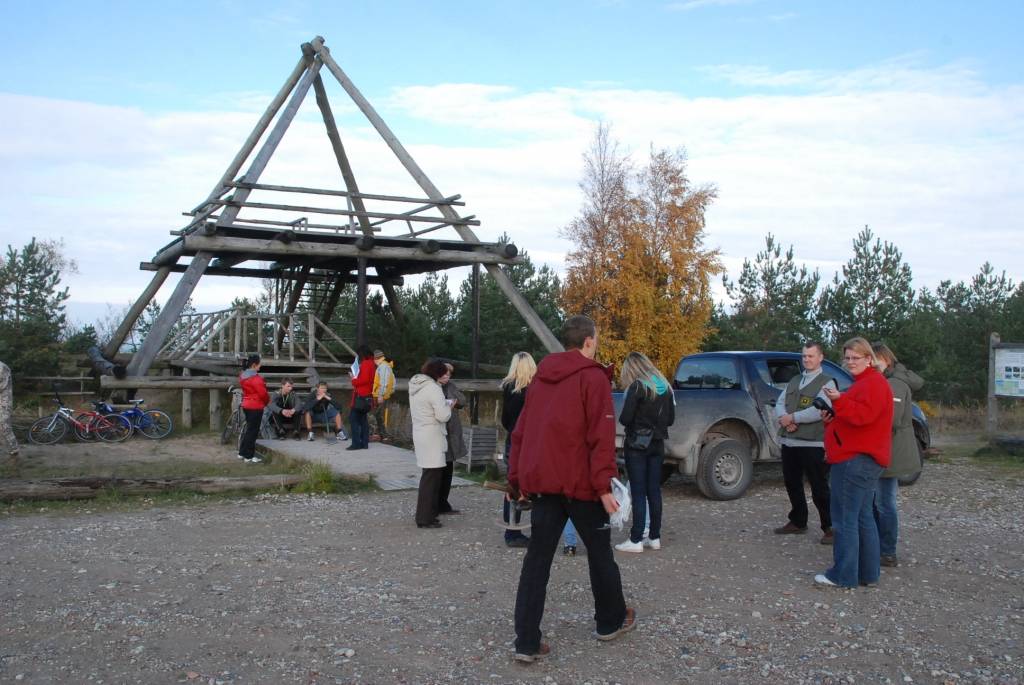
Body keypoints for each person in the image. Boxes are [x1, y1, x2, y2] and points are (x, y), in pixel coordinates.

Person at [509, 315, 635, 663]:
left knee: (537, 561)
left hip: (546, 486)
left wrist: (516, 479)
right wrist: (605, 486)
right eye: (597, 337)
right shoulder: (593, 378)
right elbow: (601, 436)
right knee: (599, 553)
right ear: (589, 341)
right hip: (580, 487)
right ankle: (610, 622)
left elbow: (522, 432)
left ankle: (526, 642)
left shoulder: (540, 379)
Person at [814, 337, 894, 589]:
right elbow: (854, 418)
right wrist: (832, 417)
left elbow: (863, 416)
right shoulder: (865, 383)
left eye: (855, 358)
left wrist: (839, 400)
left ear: (869, 359)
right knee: (862, 516)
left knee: (844, 518)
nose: (850, 362)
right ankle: (868, 573)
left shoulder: (873, 384)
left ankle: (843, 575)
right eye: (847, 358)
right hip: (862, 458)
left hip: (855, 460)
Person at [773, 342, 838, 544]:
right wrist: (784, 417)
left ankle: (830, 527)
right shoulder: (794, 380)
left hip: (813, 444)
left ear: (820, 358)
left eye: (811, 356)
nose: (807, 360)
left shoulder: (828, 382)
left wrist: (791, 418)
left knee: (819, 487)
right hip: (790, 441)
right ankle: (798, 521)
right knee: (792, 483)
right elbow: (779, 403)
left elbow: (819, 410)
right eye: (804, 356)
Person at [615, 351, 676, 553]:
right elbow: (670, 420)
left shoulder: (637, 387)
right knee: (654, 491)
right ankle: (654, 536)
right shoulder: (665, 387)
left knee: (639, 493)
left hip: (637, 445)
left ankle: (635, 540)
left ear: (633, 368)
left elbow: (625, 418)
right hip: (658, 444)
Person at [872, 343, 924, 568]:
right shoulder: (886, 381)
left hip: (890, 451)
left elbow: (889, 420)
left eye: (876, 359)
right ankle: (878, 546)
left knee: (885, 502)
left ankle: (887, 551)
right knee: (879, 500)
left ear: (887, 360)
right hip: (883, 448)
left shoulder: (894, 384)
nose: (873, 364)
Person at [410, 358, 453, 528]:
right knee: (431, 479)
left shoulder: (416, 385)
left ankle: (427, 514)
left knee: (428, 476)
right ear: (437, 373)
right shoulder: (433, 389)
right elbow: (443, 416)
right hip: (433, 435)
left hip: (421, 432)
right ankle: (425, 518)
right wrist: (448, 407)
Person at [500, 351, 537, 548]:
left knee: (512, 485)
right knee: (535, 484)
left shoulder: (507, 387)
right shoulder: (536, 390)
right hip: (531, 441)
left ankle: (511, 530)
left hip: (512, 439)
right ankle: (536, 528)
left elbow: (505, 419)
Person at [438, 362, 467, 515]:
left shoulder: (451, 386)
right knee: (438, 472)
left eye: (450, 374)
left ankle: (443, 503)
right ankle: (435, 504)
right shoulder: (433, 387)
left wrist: (453, 399)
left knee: (448, 471)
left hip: (452, 433)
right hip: (440, 433)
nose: (447, 376)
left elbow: (462, 401)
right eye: (445, 373)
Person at [238, 354, 270, 464]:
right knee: (253, 432)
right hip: (255, 406)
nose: (260, 366)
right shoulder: (257, 379)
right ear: (254, 365)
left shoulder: (242, 375)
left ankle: (242, 452)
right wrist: (266, 402)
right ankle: (249, 456)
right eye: (259, 364)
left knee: (249, 430)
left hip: (246, 405)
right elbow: (263, 394)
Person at [347, 345, 375, 451]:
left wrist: (353, 379)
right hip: (368, 396)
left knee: (353, 419)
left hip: (361, 395)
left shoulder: (366, 364)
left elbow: (363, 380)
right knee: (363, 420)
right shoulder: (372, 363)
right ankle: (364, 443)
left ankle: (356, 443)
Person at [371, 350, 395, 441]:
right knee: (378, 415)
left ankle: (383, 435)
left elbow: (384, 382)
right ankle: (381, 435)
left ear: (376, 358)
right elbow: (393, 381)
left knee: (378, 415)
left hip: (381, 395)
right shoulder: (387, 366)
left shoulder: (383, 367)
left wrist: (381, 395)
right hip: (383, 395)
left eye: (374, 359)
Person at [1, 361, 19, 465]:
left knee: (4, 426)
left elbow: (2, 386)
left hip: (4, 403)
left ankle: (14, 452)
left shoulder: (2, 367)